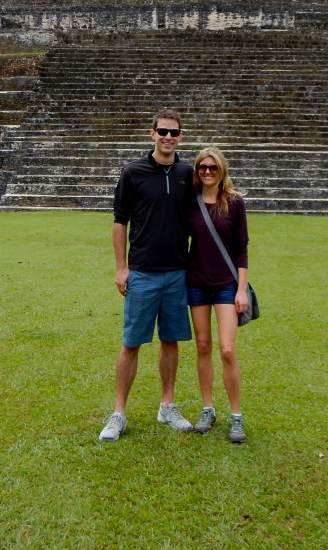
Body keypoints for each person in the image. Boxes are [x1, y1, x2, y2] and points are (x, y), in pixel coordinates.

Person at [99, 109, 196, 441]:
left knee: (171, 340)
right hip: (142, 271)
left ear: (181, 136)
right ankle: (119, 412)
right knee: (131, 342)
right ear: (151, 133)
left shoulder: (188, 172)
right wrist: (121, 267)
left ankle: (167, 406)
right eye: (163, 131)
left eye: (174, 132)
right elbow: (119, 221)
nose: (168, 137)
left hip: (177, 272)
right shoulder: (133, 172)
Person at [186, 146, 250, 443]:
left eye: (213, 167)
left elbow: (241, 247)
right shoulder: (191, 201)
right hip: (196, 282)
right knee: (202, 346)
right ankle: (208, 408)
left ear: (221, 170)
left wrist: (241, 289)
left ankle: (236, 415)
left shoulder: (234, 202)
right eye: (202, 167)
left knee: (226, 349)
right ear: (197, 171)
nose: (208, 172)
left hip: (226, 283)